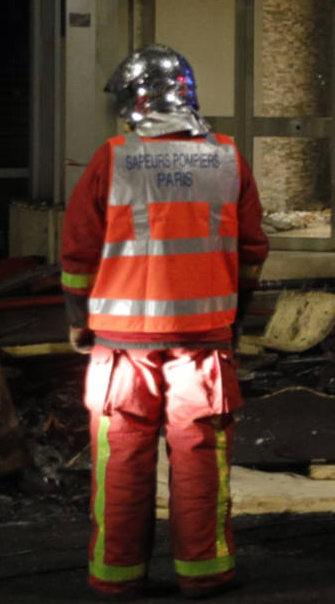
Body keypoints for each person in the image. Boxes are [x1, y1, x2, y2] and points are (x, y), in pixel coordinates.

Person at [61, 45, 267, 599]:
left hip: (123, 346)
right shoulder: (226, 156)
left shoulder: (114, 158)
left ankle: (115, 575)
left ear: (137, 100)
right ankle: (204, 573)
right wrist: (236, 317)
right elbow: (251, 252)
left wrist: (80, 321)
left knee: (122, 458)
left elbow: (79, 251)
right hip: (203, 342)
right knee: (200, 455)